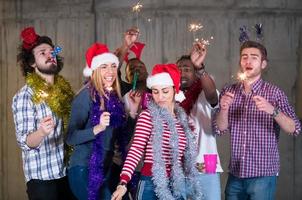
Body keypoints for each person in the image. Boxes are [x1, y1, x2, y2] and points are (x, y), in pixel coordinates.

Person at [213, 40, 302, 200]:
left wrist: (273, 110)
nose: (248, 61)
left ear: (263, 64)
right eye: (244, 57)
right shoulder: (229, 90)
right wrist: (224, 108)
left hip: (263, 175)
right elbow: (220, 129)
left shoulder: (274, 93)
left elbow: (295, 128)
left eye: (254, 57)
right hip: (236, 174)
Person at [111, 63, 203, 200]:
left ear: (175, 89)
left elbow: (180, 155)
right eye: (155, 91)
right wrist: (123, 182)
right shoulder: (147, 116)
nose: (160, 97)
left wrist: (193, 167)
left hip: (176, 185)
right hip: (150, 183)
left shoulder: (182, 120)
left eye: (165, 91)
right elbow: (136, 149)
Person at [66, 43, 139, 200]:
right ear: (95, 70)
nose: (110, 71)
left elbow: (123, 137)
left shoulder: (114, 99)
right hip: (83, 168)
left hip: (105, 168)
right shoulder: (85, 96)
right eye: (104, 66)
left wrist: (132, 113)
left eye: (113, 66)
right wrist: (97, 128)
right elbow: (70, 137)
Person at [12, 27, 75, 200]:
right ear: (32, 62)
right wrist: (41, 132)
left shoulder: (64, 92)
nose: (50, 54)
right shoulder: (25, 96)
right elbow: (24, 141)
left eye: (52, 51)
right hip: (42, 180)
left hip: (66, 172)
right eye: (42, 52)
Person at [177, 42, 223, 200]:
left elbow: (213, 96)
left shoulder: (204, 93)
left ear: (196, 73)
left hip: (206, 166)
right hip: (178, 170)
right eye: (179, 69)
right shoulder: (168, 98)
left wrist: (200, 69)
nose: (182, 72)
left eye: (188, 69)